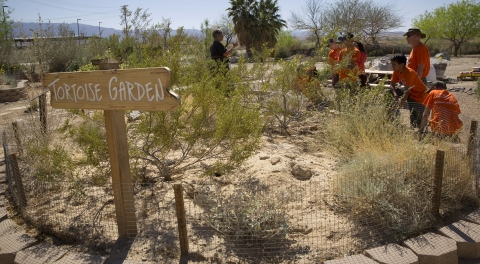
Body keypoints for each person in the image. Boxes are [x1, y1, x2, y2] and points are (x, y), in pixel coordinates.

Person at [389, 54, 427, 128]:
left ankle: (421, 132)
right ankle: (388, 113)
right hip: (410, 92)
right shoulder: (396, 71)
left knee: (417, 116)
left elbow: (407, 91)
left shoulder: (410, 73)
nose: (392, 66)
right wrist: (395, 95)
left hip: (420, 95)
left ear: (402, 65)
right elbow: (392, 85)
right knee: (389, 92)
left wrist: (400, 104)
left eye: (394, 64)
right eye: (392, 64)